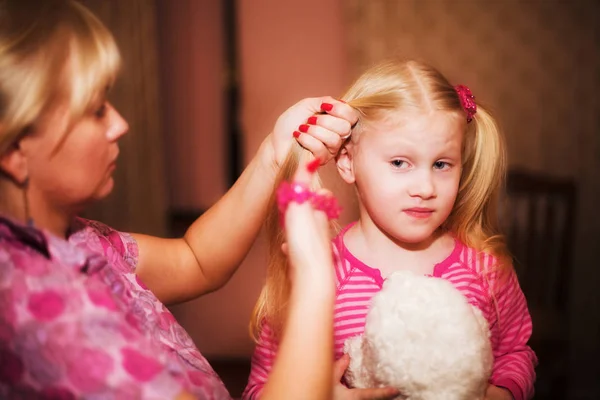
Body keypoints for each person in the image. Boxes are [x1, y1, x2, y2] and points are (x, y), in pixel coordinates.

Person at [0, 0, 357, 398]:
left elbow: (195, 260)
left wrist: (274, 154)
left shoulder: (75, 239)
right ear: (16, 151)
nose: (120, 124)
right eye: (96, 110)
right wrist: (313, 276)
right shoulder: (47, 318)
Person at [244, 60, 538, 400]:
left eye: (442, 164)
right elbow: (260, 388)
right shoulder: (319, 273)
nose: (425, 187)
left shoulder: (485, 269)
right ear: (347, 161)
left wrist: (502, 392)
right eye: (400, 163)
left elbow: (515, 352)